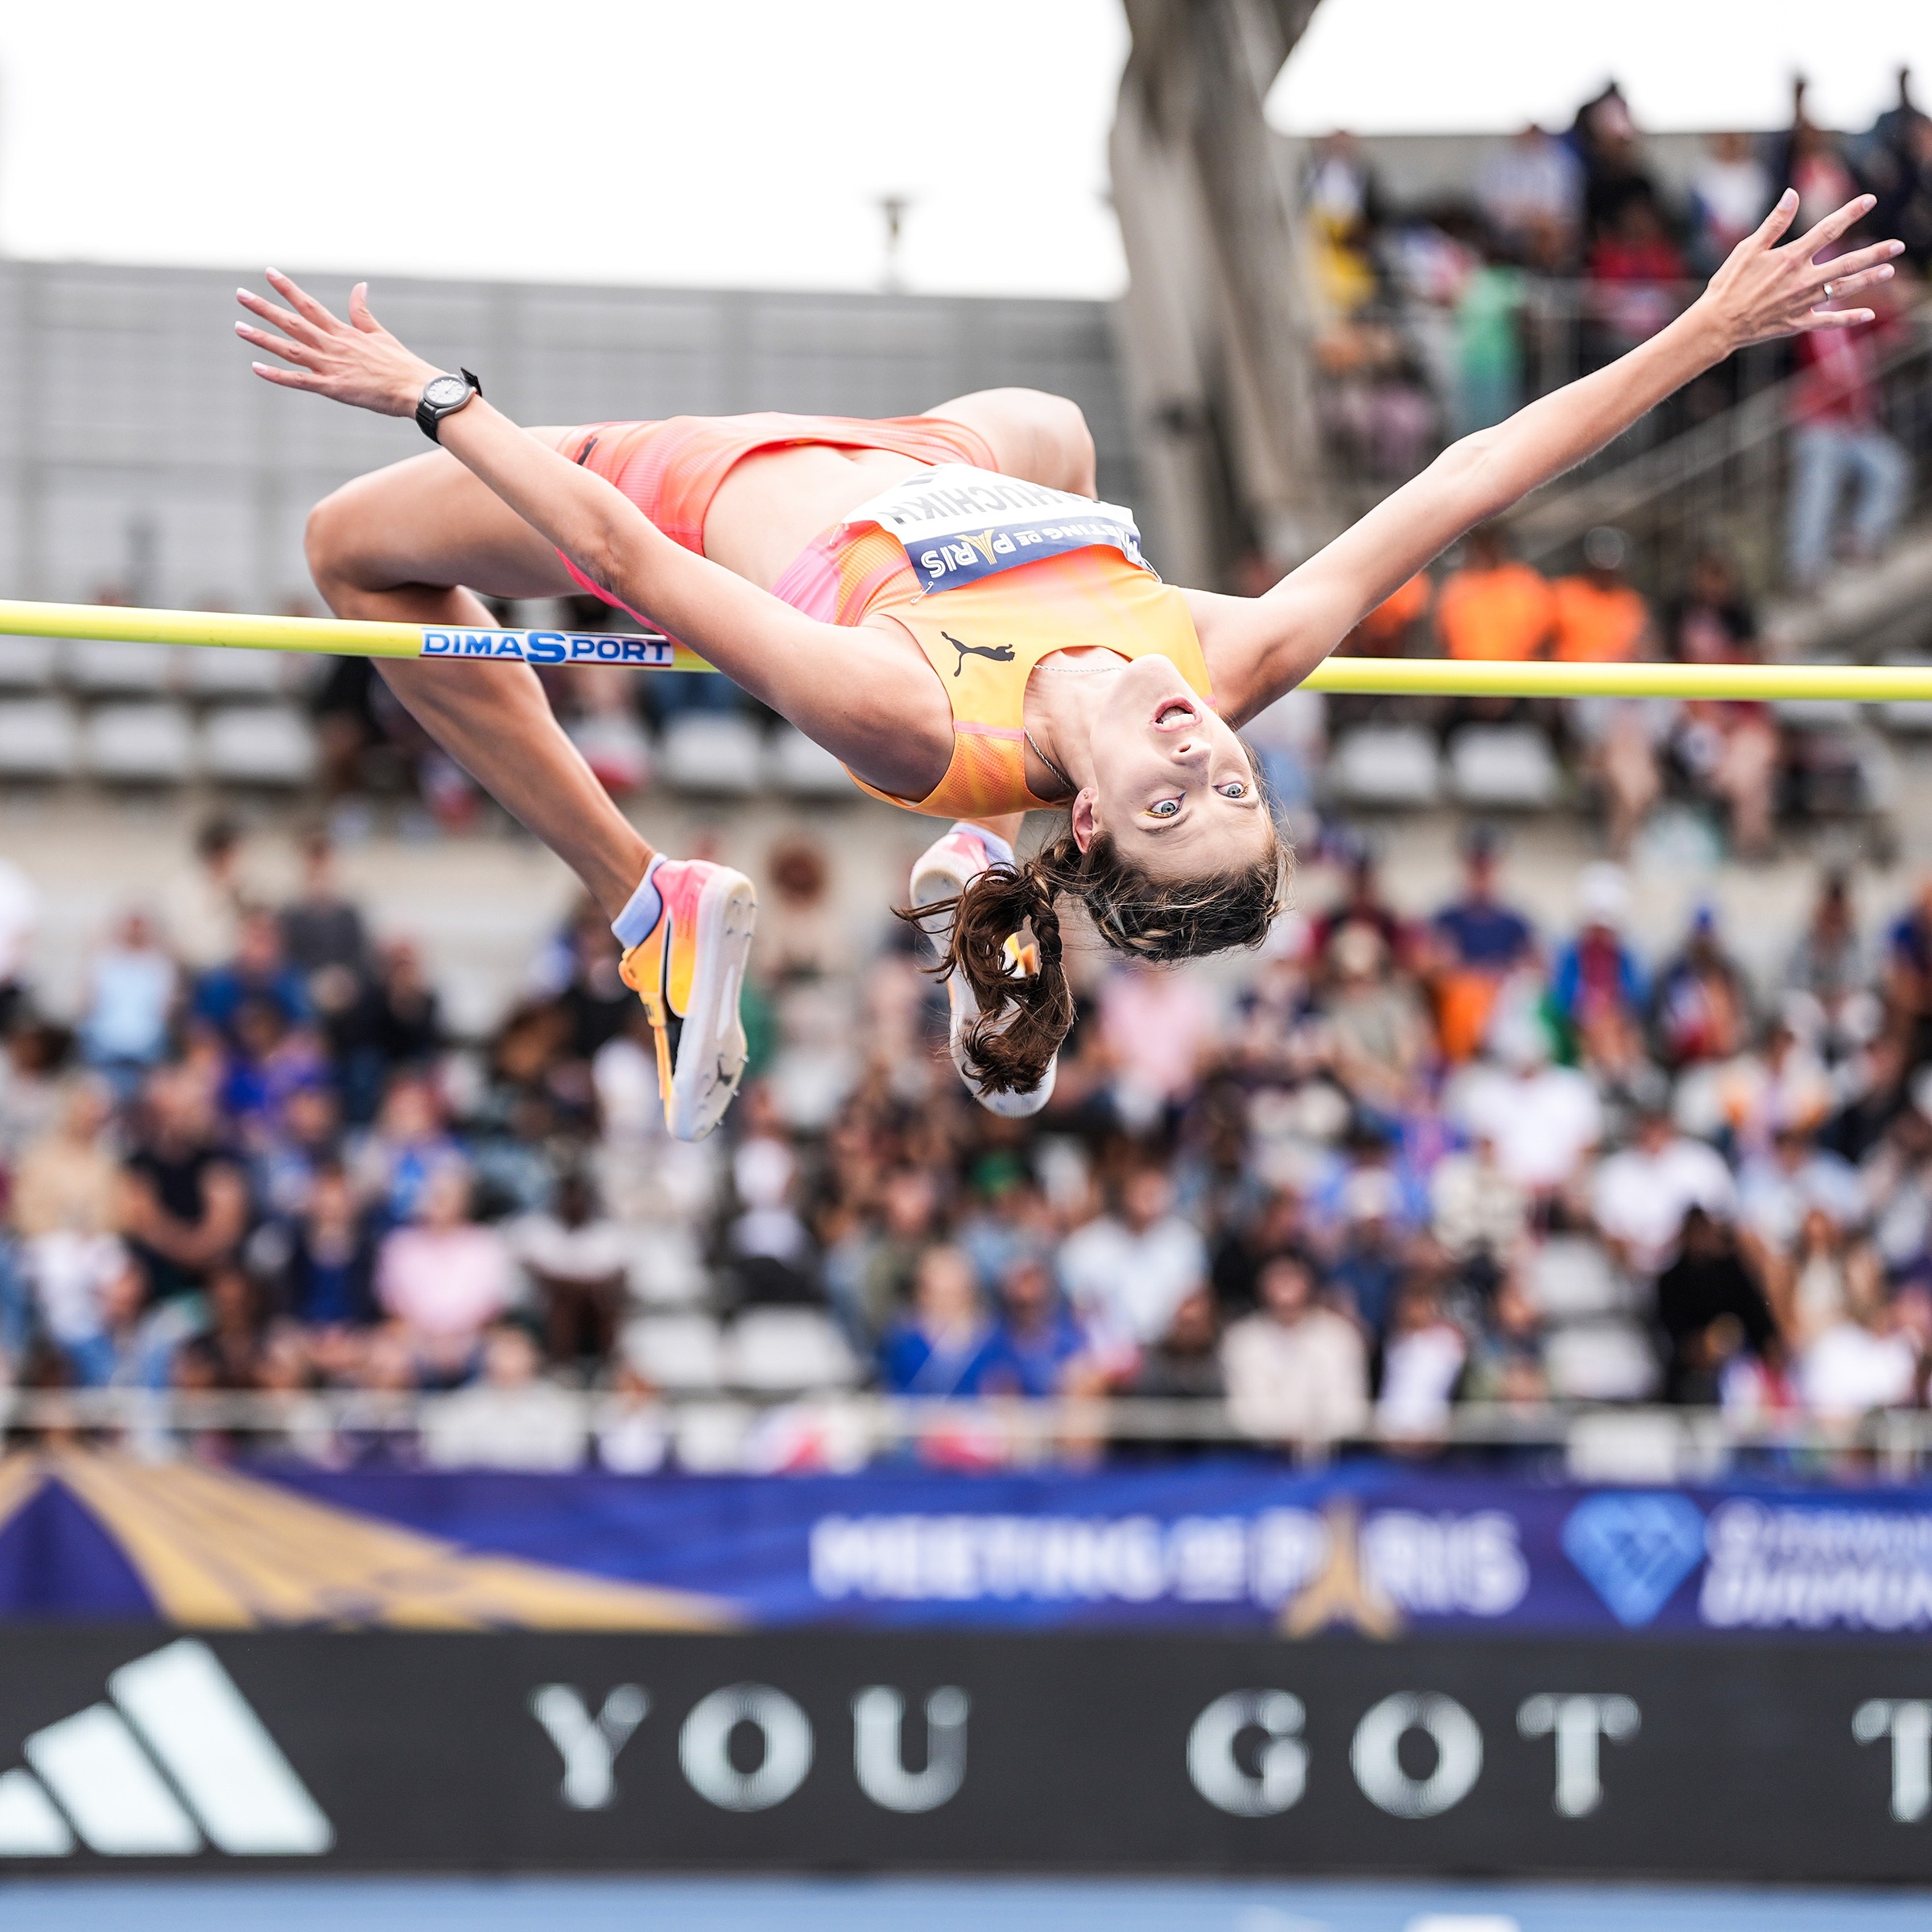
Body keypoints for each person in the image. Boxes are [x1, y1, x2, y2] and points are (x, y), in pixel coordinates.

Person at [233, 188, 1897, 1141]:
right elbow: (1464, 484)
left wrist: (434, 397)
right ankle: (965, 900)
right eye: (1232, 779)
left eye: (1177, 798)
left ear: (1091, 828)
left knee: (348, 552)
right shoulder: (1236, 660)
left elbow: (629, 562)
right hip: (953, 450)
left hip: (703, 474)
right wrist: (1700, 332)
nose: (1202, 747)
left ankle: (645, 899)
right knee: (1057, 425)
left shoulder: (908, 717)